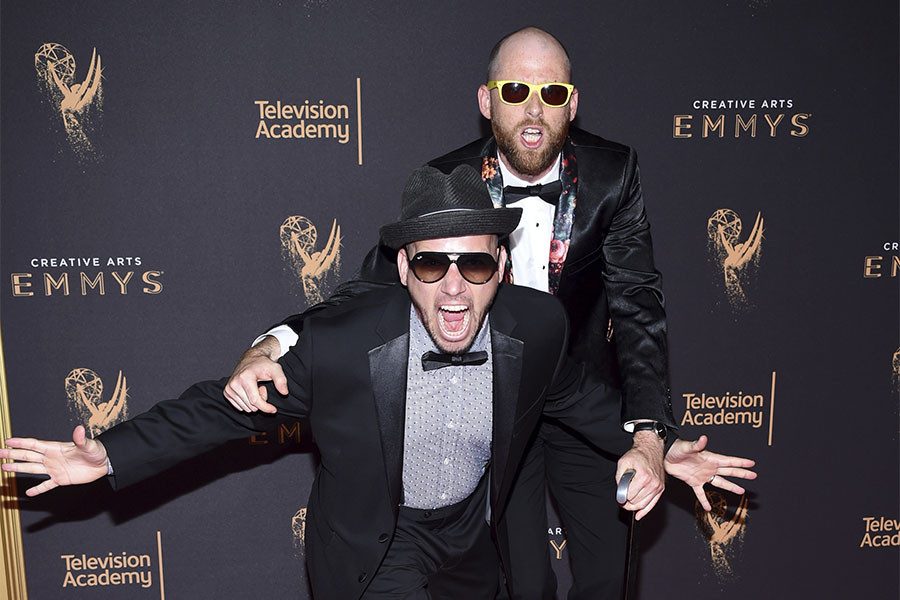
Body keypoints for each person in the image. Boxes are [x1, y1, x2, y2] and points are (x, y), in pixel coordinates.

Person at [2, 166, 754, 600]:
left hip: (469, 535)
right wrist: (104, 457)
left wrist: (654, 441)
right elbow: (219, 412)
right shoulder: (344, 346)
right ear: (403, 268)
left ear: (503, 265)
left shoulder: (539, 327)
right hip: (374, 542)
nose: (454, 288)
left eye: (476, 264)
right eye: (433, 264)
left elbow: (577, 398)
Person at [226, 27, 675, 599]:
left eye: (552, 93)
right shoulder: (450, 183)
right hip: (494, 405)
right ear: (486, 101)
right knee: (525, 582)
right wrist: (276, 341)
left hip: (577, 396)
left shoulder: (615, 173)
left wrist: (649, 432)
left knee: (610, 577)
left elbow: (637, 302)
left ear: (573, 103)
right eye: (515, 91)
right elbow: (365, 289)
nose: (534, 109)